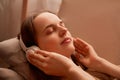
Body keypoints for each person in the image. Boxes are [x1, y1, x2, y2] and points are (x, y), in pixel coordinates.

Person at [19, 11, 120, 80]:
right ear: (35, 51)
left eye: (62, 24)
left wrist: (98, 62)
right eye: (50, 31)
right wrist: (69, 69)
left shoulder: (94, 71)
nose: (64, 30)